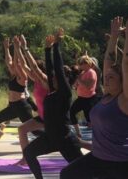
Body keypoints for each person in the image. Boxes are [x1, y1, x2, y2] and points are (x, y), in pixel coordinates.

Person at [60, 16, 128, 179]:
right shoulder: (106, 96)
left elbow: (125, 62)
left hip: (119, 164)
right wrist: (114, 37)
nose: (106, 78)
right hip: (98, 159)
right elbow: (107, 60)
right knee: (68, 174)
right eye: (106, 76)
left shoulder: (124, 99)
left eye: (111, 77)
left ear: (123, 81)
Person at [23, 29, 83, 179]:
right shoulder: (52, 89)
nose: (53, 78)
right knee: (29, 153)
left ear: (64, 80)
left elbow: (57, 68)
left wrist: (56, 46)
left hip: (65, 139)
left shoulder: (65, 92)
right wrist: (47, 49)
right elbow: (50, 70)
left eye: (57, 77)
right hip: (50, 137)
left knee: (83, 171)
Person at [0, 37, 33, 150]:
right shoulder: (14, 74)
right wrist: (6, 48)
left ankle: (52, 139)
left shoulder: (23, 76)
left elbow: (15, 62)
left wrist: (16, 48)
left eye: (18, 64)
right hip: (13, 106)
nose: (14, 65)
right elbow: (8, 61)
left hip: (22, 106)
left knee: (35, 131)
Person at [13, 35, 49, 165]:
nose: (30, 73)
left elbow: (32, 66)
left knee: (65, 145)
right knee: (22, 129)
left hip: (53, 119)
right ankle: (25, 159)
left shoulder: (46, 82)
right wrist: (17, 48)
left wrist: (25, 47)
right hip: (42, 117)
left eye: (34, 71)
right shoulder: (36, 80)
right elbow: (23, 65)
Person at [70, 55, 97, 137]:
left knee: (90, 119)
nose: (80, 65)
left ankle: (96, 136)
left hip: (89, 99)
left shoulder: (91, 72)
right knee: (72, 112)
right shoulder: (83, 72)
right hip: (81, 98)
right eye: (80, 63)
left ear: (87, 63)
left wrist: (78, 79)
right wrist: (75, 84)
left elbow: (88, 86)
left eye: (82, 63)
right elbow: (76, 84)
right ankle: (78, 132)